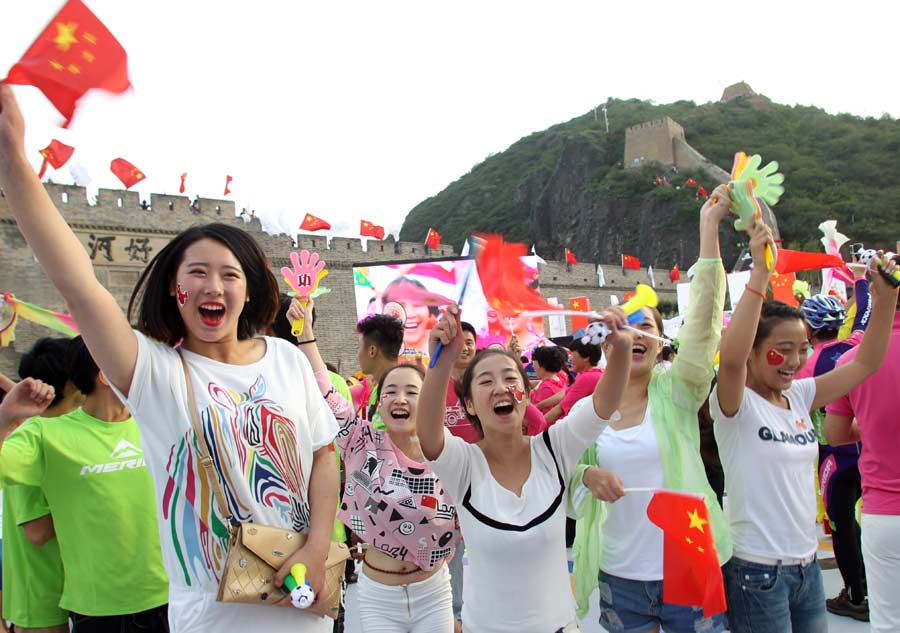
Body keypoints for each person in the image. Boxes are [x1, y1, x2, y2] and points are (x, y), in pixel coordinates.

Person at [0, 85, 339, 632]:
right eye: (197, 272)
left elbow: (324, 456)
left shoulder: (285, 359)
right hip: (212, 617)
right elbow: (78, 285)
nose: (214, 285)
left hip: (303, 605)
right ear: (174, 289)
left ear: (249, 291)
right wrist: (14, 162)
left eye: (230, 274)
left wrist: (318, 547)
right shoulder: (153, 371)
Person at [711, 215, 899, 633]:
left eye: (801, 349)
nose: (794, 361)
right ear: (755, 352)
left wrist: (884, 299)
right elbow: (732, 359)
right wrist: (760, 273)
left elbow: (867, 361)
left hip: (807, 568)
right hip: (756, 573)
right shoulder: (734, 403)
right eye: (781, 351)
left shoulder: (799, 394)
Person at [569, 185, 733, 632]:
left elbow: (702, 325)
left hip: (689, 554)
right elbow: (559, 478)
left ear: (662, 343)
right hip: (618, 571)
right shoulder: (588, 410)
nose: (636, 335)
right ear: (607, 340)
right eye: (627, 327)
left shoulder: (678, 391)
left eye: (647, 327)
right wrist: (587, 475)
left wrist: (708, 229)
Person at [418, 303, 633, 632]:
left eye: (510, 378)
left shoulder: (554, 449)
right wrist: (441, 362)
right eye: (486, 381)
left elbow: (603, 405)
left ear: (525, 394)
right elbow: (429, 436)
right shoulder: (463, 464)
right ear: (470, 405)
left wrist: (620, 349)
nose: (501, 388)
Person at [288, 298, 457, 633]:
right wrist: (306, 335)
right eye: (391, 391)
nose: (401, 398)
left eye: (412, 391)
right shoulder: (360, 442)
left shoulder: (447, 454)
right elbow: (326, 393)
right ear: (380, 402)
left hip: (433, 592)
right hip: (378, 596)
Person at [0, 337, 169, 631]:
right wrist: (6, 414)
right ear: (106, 374)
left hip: (170, 598)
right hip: (99, 611)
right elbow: (36, 532)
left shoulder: (158, 421)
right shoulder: (43, 434)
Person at [824, 254, 900, 633]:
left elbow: (835, 435)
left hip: (884, 510)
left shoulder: (852, 360)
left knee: (887, 620)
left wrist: (866, 425)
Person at [797, 283, 871, 622]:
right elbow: (865, 316)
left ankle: (856, 595)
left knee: (841, 526)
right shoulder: (855, 345)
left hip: (833, 452)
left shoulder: (808, 364)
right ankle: (869, 584)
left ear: (809, 329)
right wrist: (862, 282)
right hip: (864, 446)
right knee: (865, 519)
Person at [1, 338, 76, 633]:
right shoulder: (32, 438)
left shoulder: (60, 431)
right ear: (71, 382)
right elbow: (36, 531)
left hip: (69, 595)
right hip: (41, 602)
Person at [351, 314, 404, 428]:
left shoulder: (397, 391)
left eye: (359, 347)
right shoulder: (379, 389)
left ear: (372, 351)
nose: (358, 354)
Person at [543, 339, 603, 424]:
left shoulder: (588, 377)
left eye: (573, 355)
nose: (570, 359)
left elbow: (562, 407)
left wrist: (535, 426)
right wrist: (539, 405)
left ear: (585, 357)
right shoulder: (591, 373)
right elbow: (565, 393)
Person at [381, 277, 439, 359]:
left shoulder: (445, 344)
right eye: (400, 305)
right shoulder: (377, 350)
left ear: (429, 310)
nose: (410, 314)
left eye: (417, 305)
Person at [530, 346, 568, 413]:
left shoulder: (546, 388)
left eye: (534, 363)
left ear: (543, 365)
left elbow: (538, 414)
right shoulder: (561, 377)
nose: (533, 366)